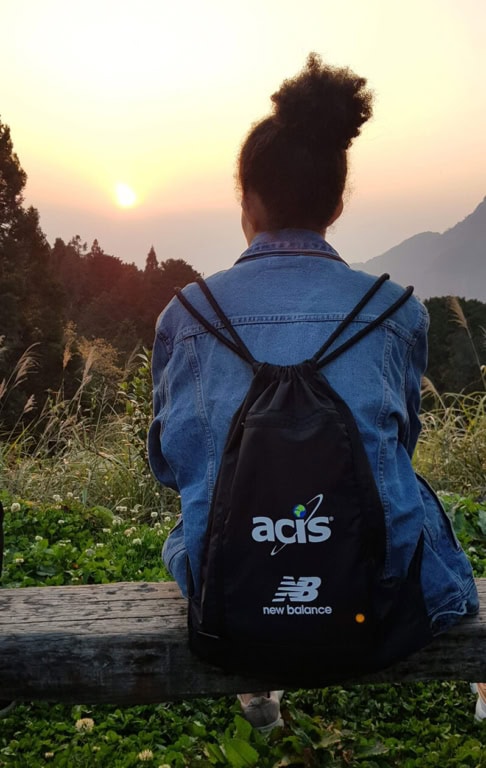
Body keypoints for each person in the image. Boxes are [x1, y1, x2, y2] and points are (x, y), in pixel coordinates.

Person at [148, 54, 479, 731]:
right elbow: (397, 443)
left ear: (247, 200)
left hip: (232, 586)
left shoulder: (187, 314)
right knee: (416, 508)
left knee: (200, 523)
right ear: (336, 204)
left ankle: (260, 688)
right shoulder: (396, 311)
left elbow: (168, 462)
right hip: (370, 586)